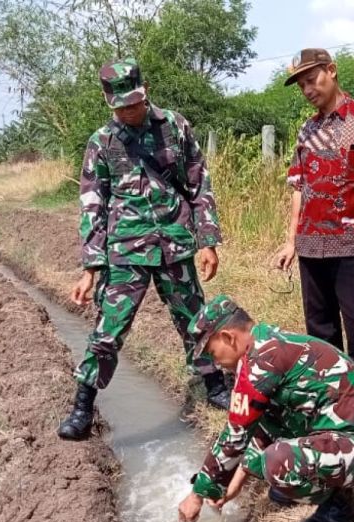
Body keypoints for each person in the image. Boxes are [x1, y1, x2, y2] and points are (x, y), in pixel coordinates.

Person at [58, 58, 231, 441]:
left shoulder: (175, 126)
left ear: (145, 89)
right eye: (120, 107)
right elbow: (92, 205)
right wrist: (91, 267)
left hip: (174, 243)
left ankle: (215, 386)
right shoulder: (102, 142)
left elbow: (198, 184)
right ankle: (83, 407)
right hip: (125, 253)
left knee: (194, 320)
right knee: (109, 330)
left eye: (133, 103)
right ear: (109, 102)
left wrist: (208, 241)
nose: (129, 112)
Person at [177, 295, 354, 522]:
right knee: (277, 469)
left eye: (212, 353)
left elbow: (234, 437)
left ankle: (340, 505)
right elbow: (264, 426)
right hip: (343, 435)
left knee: (277, 464)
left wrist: (197, 495)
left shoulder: (261, 363)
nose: (215, 362)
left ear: (228, 337)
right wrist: (235, 483)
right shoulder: (265, 343)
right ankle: (319, 480)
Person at [274, 48, 354, 402]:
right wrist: (291, 241)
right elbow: (299, 187)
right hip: (311, 244)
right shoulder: (307, 129)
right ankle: (333, 399)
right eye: (301, 84)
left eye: (312, 79)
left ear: (331, 71)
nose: (307, 89)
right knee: (320, 328)